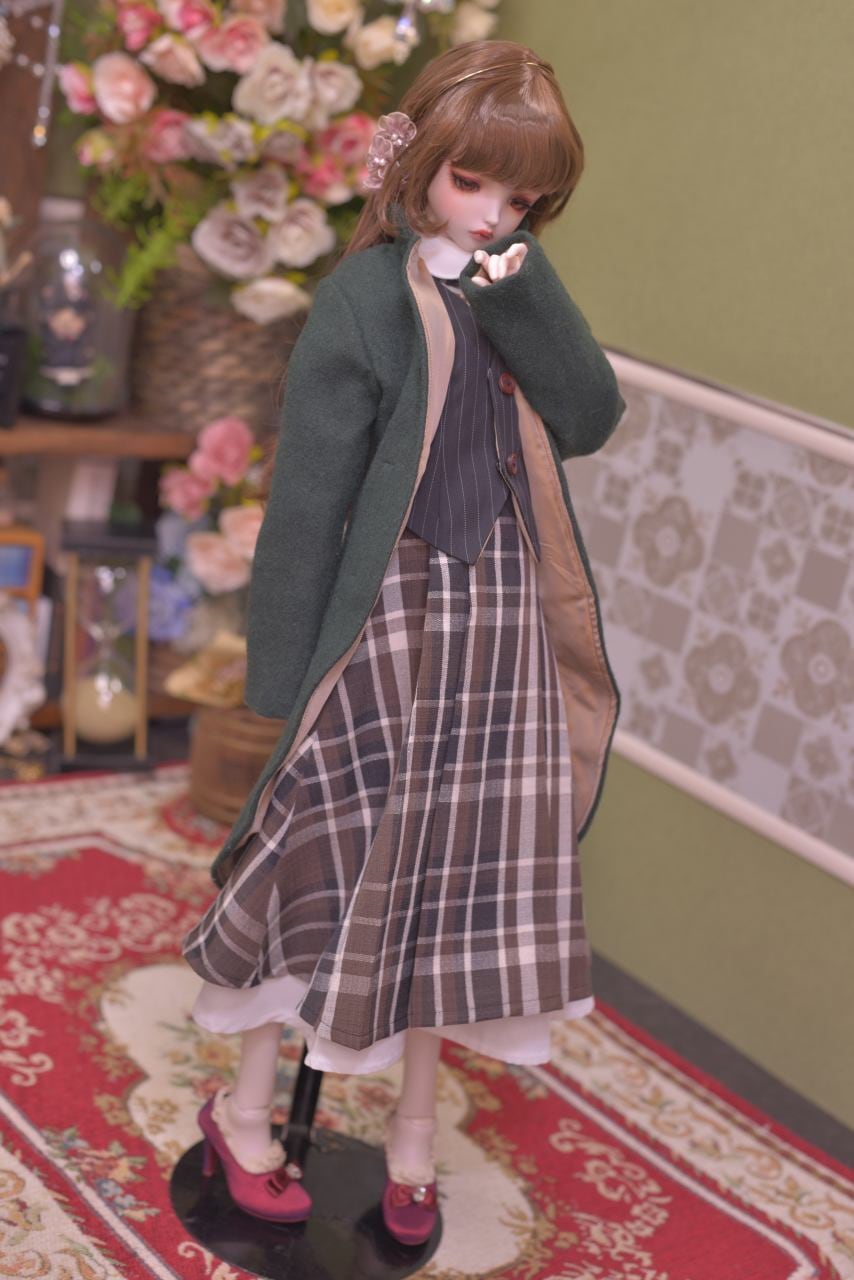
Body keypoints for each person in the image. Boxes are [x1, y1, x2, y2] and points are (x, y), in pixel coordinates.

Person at [181, 37, 625, 1245]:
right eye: (471, 181)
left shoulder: (514, 282)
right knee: (314, 859)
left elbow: (588, 414)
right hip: (388, 619)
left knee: (454, 880)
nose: (490, 212)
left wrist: (515, 281)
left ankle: (413, 1136)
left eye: (519, 196)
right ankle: (246, 1112)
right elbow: (307, 500)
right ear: (416, 158)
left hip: (498, 627)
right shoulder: (362, 300)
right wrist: (280, 674)